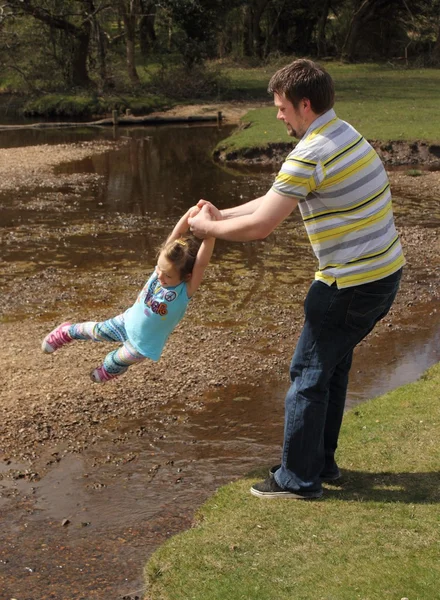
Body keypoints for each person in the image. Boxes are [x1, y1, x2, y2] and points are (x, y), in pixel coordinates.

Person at [188, 59, 405, 500]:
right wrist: (222, 213)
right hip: (383, 275)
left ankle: (297, 480)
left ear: (304, 104)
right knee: (331, 368)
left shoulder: (310, 152)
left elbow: (261, 227)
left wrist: (207, 230)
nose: (278, 115)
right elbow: (275, 199)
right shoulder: (342, 132)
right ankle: (320, 464)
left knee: (307, 373)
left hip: (350, 284)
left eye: (282, 107)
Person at [41, 205, 215, 383]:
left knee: (117, 360)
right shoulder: (161, 269)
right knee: (97, 331)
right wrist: (190, 213)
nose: (160, 276)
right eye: (159, 269)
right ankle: (66, 332)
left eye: (168, 275)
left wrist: (210, 231)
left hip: (143, 345)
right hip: (126, 322)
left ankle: (109, 369)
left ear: (187, 276)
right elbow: (175, 235)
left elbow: (201, 263)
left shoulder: (184, 290)